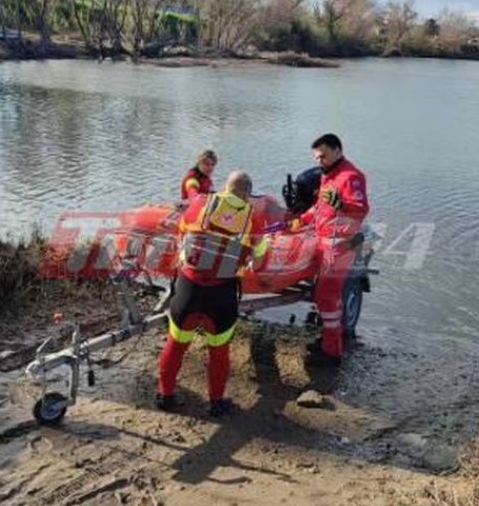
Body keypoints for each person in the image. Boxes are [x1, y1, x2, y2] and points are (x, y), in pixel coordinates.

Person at [158, 171, 269, 417]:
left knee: (176, 344)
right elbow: (260, 260)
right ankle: (216, 402)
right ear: (248, 194)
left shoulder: (200, 203)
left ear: (225, 188)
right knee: (219, 350)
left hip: (188, 287)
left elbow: (182, 233)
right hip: (221, 292)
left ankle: (165, 396)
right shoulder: (253, 217)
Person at [289, 134, 370, 367]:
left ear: (337, 150)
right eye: (316, 157)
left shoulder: (351, 177)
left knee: (327, 296)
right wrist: (301, 220)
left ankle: (332, 352)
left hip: (340, 246)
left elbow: (361, 209)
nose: (319, 161)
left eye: (323, 156)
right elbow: (319, 208)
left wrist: (341, 204)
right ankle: (327, 340)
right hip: (324, 240)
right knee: (322, 295)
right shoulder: (329, 175)